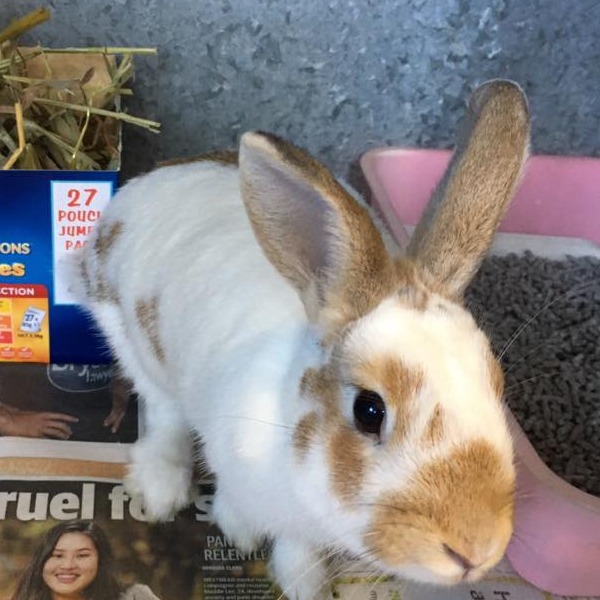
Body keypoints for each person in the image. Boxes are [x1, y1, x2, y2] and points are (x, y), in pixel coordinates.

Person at [11, 520, 161, 600]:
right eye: (58, 555)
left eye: (82, 555)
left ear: (100, 561)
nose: (68, 565)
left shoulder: (135, 595)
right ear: (41, 561)